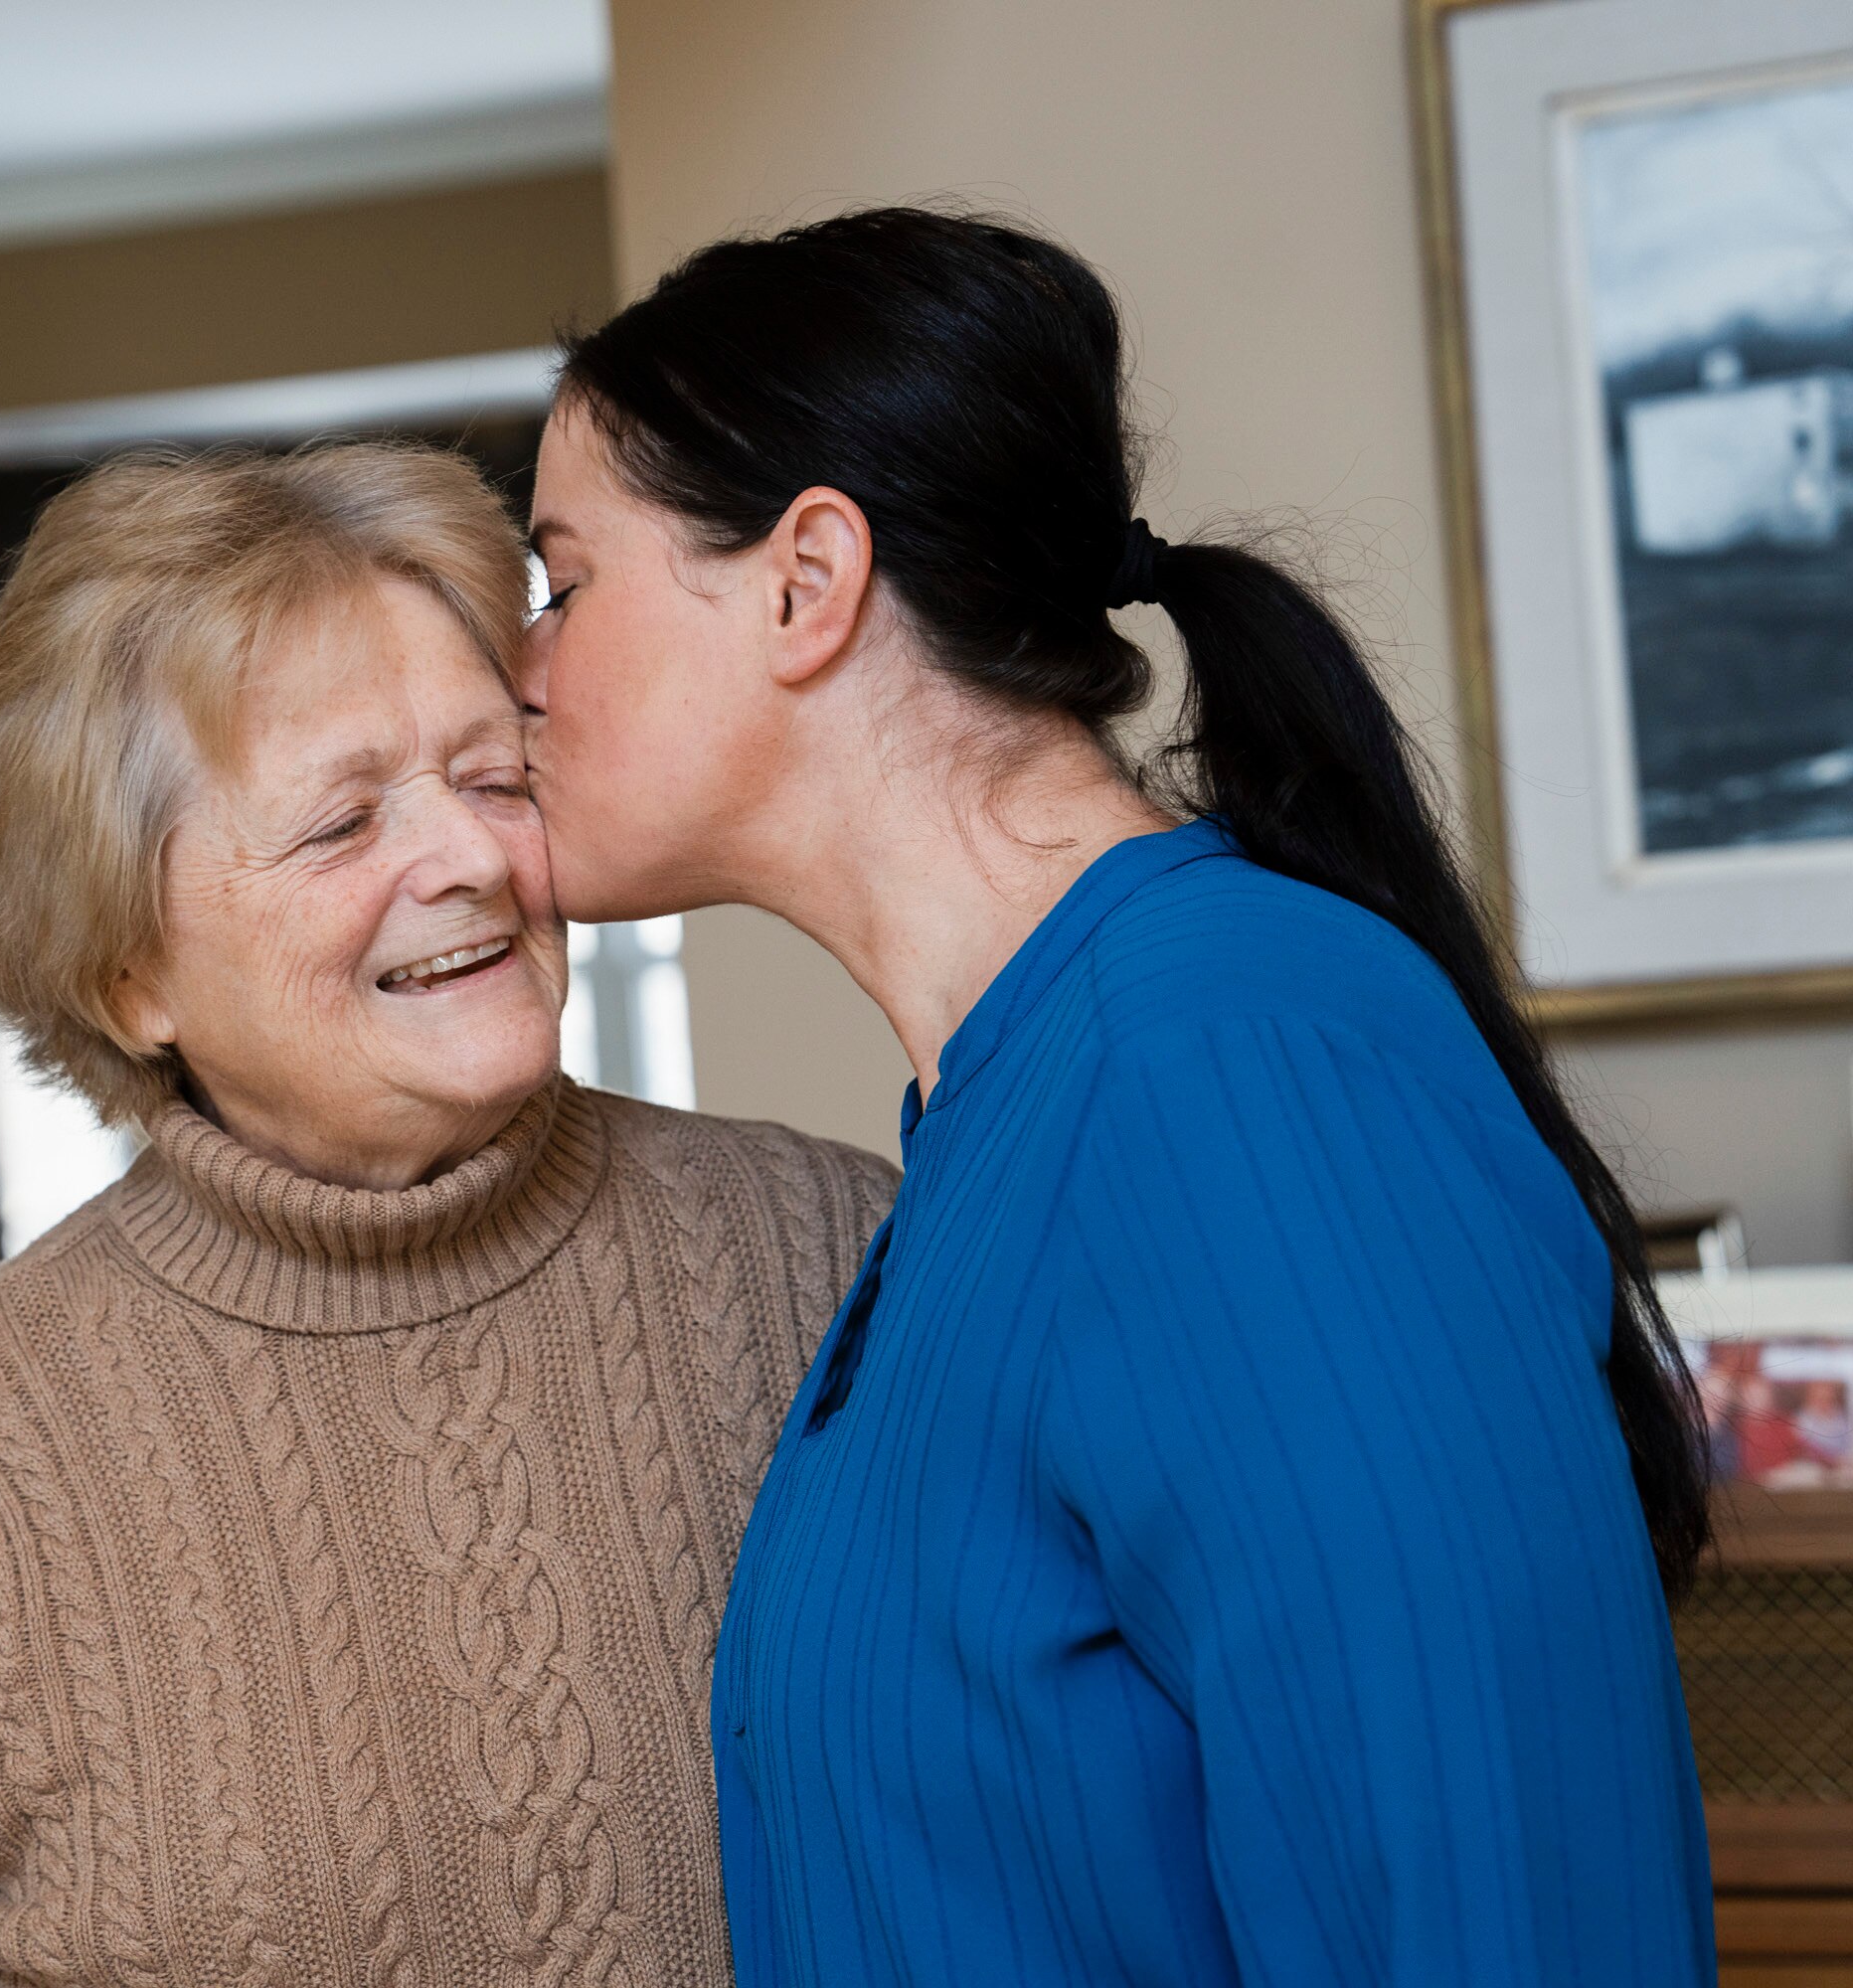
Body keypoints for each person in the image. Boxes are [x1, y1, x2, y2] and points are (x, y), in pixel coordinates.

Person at [516, 209, 1716, 1985]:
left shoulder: (1230, 1062)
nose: (519, 670)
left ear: (804, 579)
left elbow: (1495, 1911)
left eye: (564, 583)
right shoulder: (1001, 1120)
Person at [0, 442, 896, 1988]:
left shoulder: (824, 1249)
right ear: (127, 973)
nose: (472, 857)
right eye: (343, 822)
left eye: (496, 778)